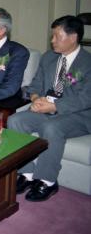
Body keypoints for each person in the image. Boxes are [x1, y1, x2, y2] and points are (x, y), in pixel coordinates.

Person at [8, 15, 91, 202]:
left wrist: (53, 106)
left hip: (79, 115)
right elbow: (35, 84)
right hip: (48, 108)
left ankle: (47, 180)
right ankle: (26, 173)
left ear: (73, 37)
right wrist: (36, 98)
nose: (52, 41)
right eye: (52, 36)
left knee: (52, 127)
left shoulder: (88, 63)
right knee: (15, 120)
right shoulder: (49, 57)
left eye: (57, 36)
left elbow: (86, 99)